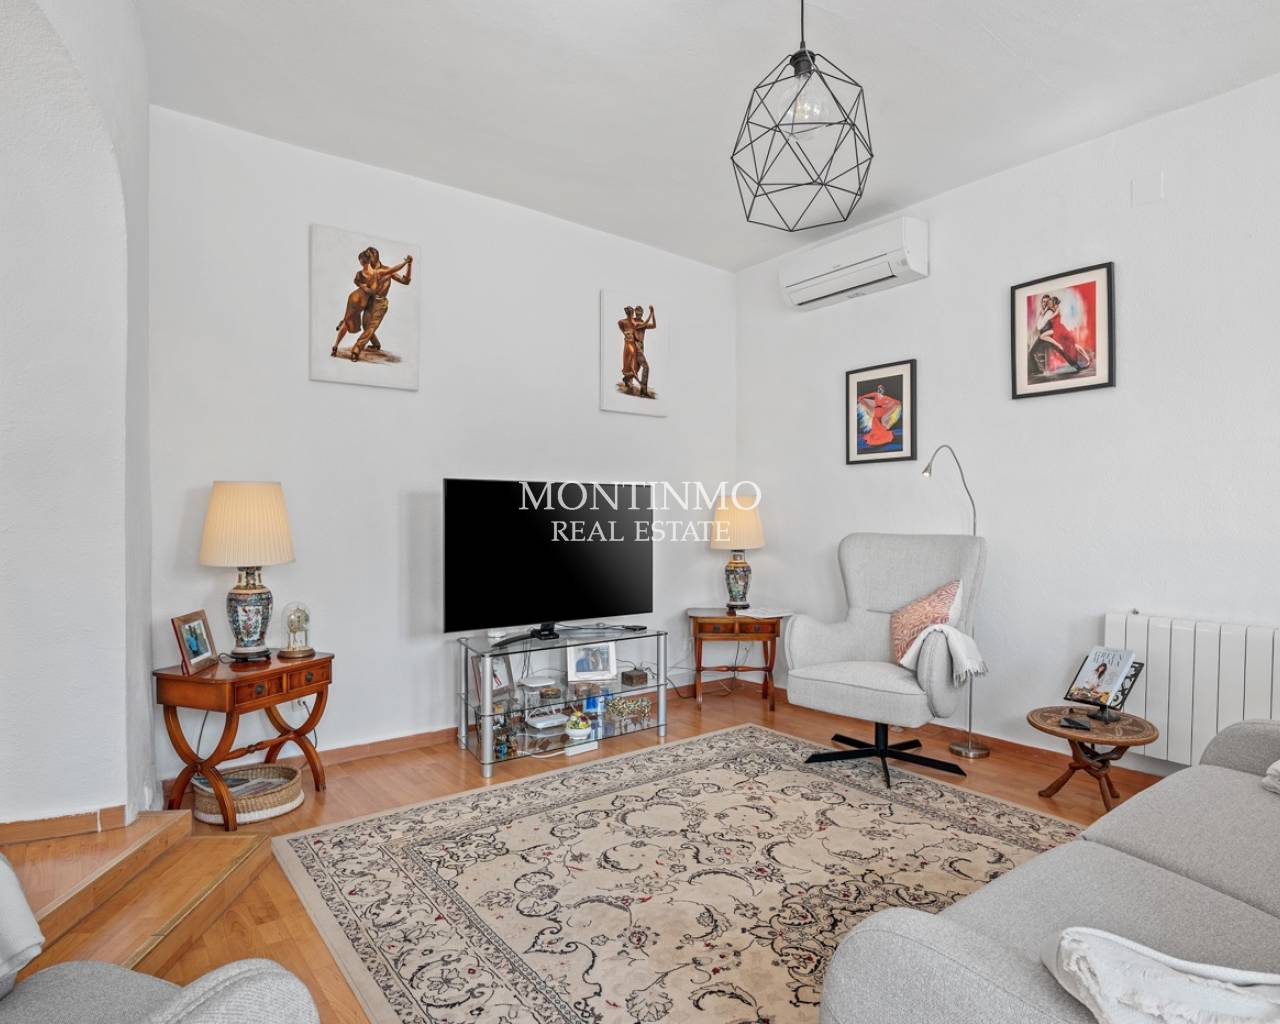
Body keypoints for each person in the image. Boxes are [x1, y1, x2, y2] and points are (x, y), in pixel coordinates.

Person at [345, 248, 414, 362]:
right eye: (366, 255)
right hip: (369, 301)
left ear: (376, 256)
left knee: (371, 326)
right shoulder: (366, 271)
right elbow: (357, 281)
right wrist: (360, 285)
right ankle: (376, 344)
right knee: (366, 326)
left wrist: (409, 264)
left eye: (370, 255)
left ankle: (356, 349)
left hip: (381, 303)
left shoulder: (386, 270)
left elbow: (405, 281)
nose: (368, 257)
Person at [332, 249, 376, 356]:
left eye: (361, 261)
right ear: (369, 260)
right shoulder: (374, 274)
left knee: (347, 322)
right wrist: (365, 287)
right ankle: (343, 320)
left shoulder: (360, 273)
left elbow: (356, 281)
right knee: (350, 322)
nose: (361, 263)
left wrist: (361, 286)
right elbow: (373, 291)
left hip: (353, 297)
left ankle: (336, 344)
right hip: (361, 300)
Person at [628, 303, 657, 397]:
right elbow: (643, 324)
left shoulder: (641, 321)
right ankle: (643, 391)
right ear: (635, 312)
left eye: (640, 312)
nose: (639, 313)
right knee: (645, 367)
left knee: (636, 368)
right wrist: (651, 313)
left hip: (641, 346)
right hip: (636, 345)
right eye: (637, 312)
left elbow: (654, 325)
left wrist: (653, 314)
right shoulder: (633, 322)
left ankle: (628, 384)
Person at [617, 306, 638, 392]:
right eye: (630, 313)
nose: (632, 314)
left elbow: (636, 331)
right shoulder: (624, 321)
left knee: (632, 361)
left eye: (631, 313)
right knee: (629, 360)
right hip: (628, 343)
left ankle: (629, 381)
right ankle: (628, 380)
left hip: (633, 343)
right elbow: (619, 323)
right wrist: (624, 332)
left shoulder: (633, 321)